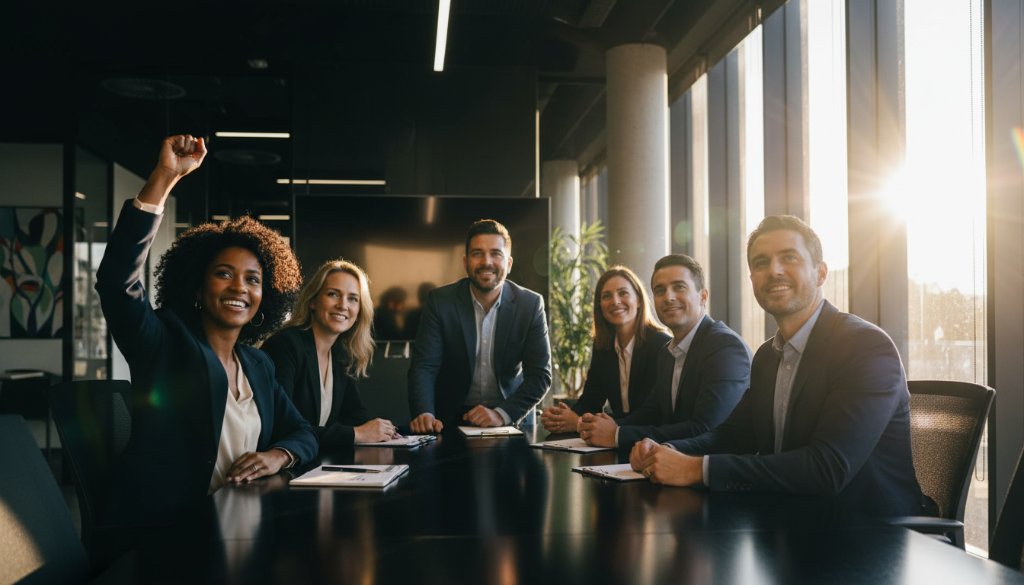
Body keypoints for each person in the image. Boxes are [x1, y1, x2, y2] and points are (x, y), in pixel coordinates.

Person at [630, 215, 931, 518]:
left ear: (821, 273)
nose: (773, 271)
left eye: (789, 258)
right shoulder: (767, 356)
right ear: (752, 281)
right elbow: (732, 436)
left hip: (871, 533)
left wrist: (697, 469)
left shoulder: (865, 347)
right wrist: (664, 449)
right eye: (760, 263)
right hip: (793, 522)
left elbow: (827, 467)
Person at [95, 135, 317, 525]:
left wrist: (277, 455)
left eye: (253, 280)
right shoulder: (165, 343)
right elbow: (117, 283)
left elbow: (302, 431)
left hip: (238, 523)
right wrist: (163, 179)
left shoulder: (257, 365)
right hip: (172, 537)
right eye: (224, 274)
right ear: (198, 288)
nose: (239, 288)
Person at [578, 255, 750, 448]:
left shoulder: (725, 347)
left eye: (679, 287)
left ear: (703, 297)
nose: (668, 297)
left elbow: (705, 428)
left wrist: (618, 435)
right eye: (660, 290)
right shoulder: (667, 353)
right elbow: (652, 412)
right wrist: (606, 426)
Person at [408, 219, 552, 433]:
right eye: (478, 253)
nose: (487, 262)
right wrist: (425, 412)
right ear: (465, 262)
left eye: (496, 254)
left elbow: (540, 375)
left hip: (509, 417)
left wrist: (501, 414)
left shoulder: (530, 305)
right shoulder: (440, 302)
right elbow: (424, 366)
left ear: (509, 264)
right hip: (450, 418)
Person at [262, 259, 401, 449]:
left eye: (353, 298)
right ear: (313, 301)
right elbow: (283, 426)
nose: (343, 305)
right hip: (280, 464)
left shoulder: (340, 355)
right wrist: (357, 434)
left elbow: (355, 415)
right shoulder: (285, 346)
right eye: (333, 294)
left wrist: (387, 431)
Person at [540, 266, 671, 434]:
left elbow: (651, 414)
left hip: (650, 441)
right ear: (600, 306)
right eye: (607, 296)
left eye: (623, 293)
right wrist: (561, 417)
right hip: (613, 442)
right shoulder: (604, 347)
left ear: (638, 300)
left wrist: (579, 423)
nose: (615, 301)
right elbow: (591, 402)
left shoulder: (661, 345)